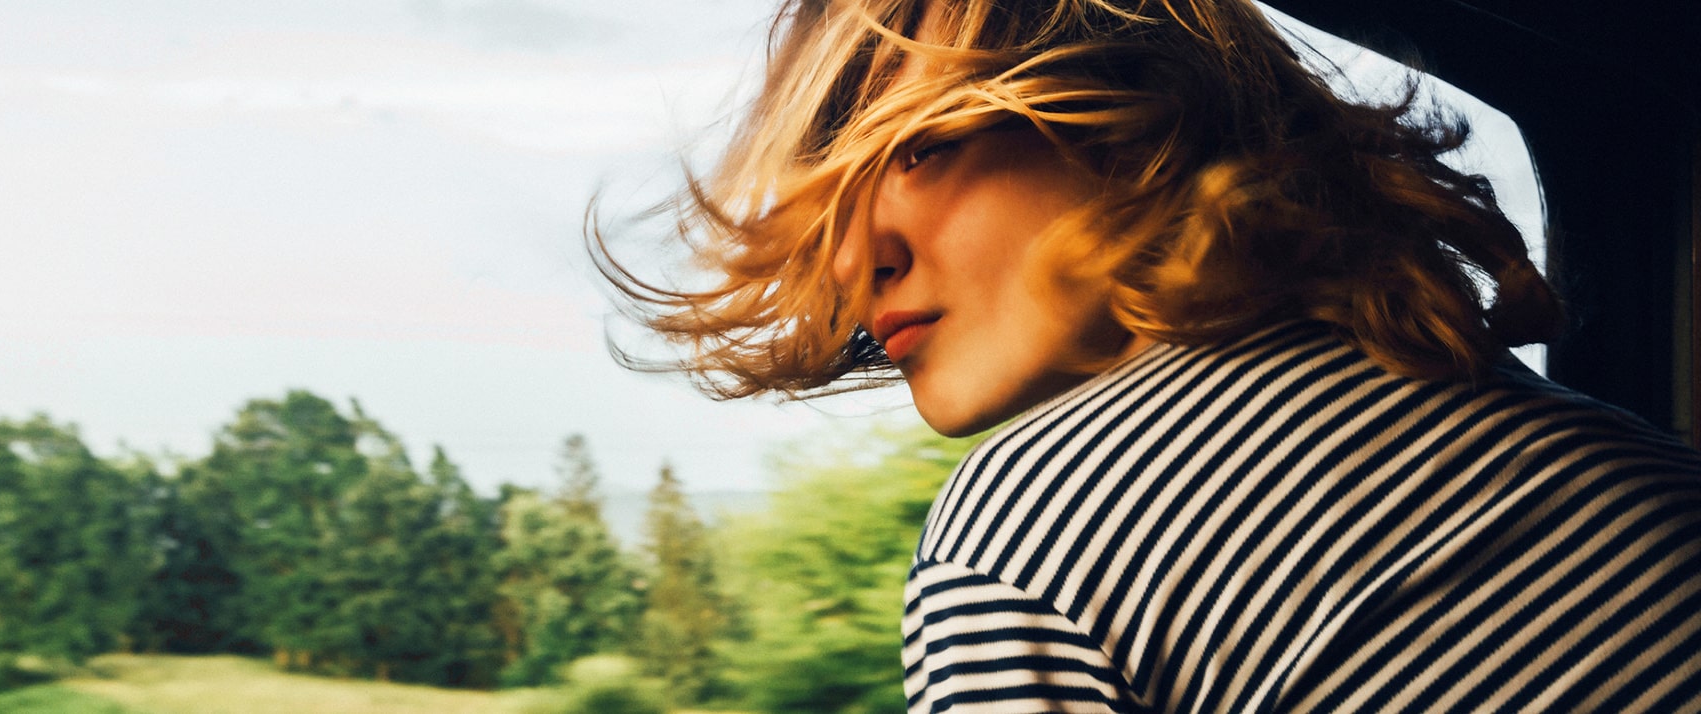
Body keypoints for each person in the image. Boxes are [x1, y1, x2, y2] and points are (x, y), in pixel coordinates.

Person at [594, 0, 1701, 711]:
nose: (852, 261)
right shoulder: (1545, 428)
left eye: (922, 149)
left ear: (1140, 126)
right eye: (829, 211)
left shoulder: (1026, 529)